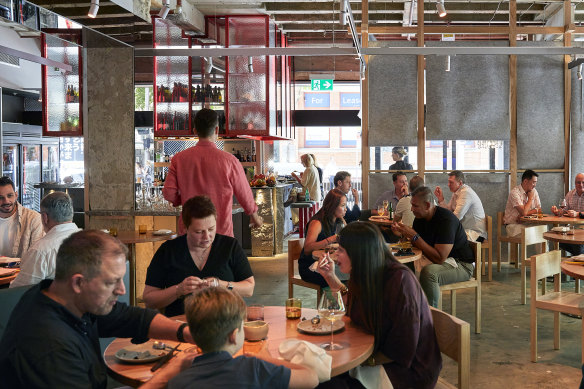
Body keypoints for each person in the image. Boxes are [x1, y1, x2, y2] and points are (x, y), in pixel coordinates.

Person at [0, 230, 195, 389]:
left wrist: (186, 333)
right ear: (78, 282)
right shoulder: (50, 347)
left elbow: (131, 317)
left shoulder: (63, 296)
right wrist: (169, 373)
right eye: (112, 282)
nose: (122, 290)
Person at [317, 222, 442, 388]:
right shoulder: (366, 272)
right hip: (375, 357)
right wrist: (330, 277)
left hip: (406, 372)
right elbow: (353, 305)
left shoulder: (400, 281)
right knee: (315, 375)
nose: (335, 255)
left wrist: (359, 361)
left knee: (324, 383)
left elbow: (403, 349)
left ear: (358, 253)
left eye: (340, 250)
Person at [168, 287, 319, 389]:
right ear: (234, 336)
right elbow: (312, 378)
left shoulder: (177, 382)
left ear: (193, 336)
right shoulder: (253, 367)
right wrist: (265, 358)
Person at [143, 195, 254, 317]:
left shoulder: (230, 246)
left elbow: (249, 289)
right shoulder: (168, 251)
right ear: (185, 228)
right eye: (199, 232)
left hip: (225, 321)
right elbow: (149, 300)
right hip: (180, 325)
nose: (207, 237)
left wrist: (221, 285)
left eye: (211, 229)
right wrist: (178, 290)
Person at [162, 108, 263, 237]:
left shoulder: (179, 159)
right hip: (220, 234)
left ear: (195, 131)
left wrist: (183, 199)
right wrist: (254, 215)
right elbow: (244, 194)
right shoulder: (230, 161)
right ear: (216, 130)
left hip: (190, 233)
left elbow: (169, 194)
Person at [391, 187, 475, 308]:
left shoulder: (446, 220)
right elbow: (416, 245)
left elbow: (440, 258)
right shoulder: (420, 219)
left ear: (427, 205)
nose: (411, 209)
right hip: (439, 259)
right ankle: (407, 310)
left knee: (429, 273)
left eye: (415, 206)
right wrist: (402, 233)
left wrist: (414, 237)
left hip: (460, 265)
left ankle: (430, 318)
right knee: (400, 266)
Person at [10, 192, 81, 288]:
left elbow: (19, 291)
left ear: (44, 217)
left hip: (51, 302)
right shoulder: (90, 241)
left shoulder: (40, 250)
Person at [298, 189, 346, 287]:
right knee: (345, 276)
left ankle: (342, 300)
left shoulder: (337, 220)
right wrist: (330, 240)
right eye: (343, 205)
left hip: (326, 262)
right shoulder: (317, 223)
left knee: (350, 271)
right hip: (310, 266)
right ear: (332, 206)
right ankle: (334, 300)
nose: (346, 209)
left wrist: (343, 221)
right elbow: (307, 249)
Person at [434, 170, 487, 242]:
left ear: (460, 183)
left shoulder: (466, 193)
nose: (448, 184)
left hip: (475, 234)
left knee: (443, 235)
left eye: (451, 182)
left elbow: (456, 217)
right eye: (448, 182)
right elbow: (449, 211)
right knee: (439, 233)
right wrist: (441, 199)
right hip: (465, 230)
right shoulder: (457, 192)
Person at [0, 176, 43, 258]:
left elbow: (38, 256)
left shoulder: (33, 219)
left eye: (10, 196)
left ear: (16, 195)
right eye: (0, 198)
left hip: (22, 270)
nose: (6, 201)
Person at [551, 173, 584, 255]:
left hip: (582, 229)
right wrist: (557, 211)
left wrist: (577, 214)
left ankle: (579, 256)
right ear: (575, 183)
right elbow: (563, 210)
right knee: (555, 237)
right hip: (571, 228)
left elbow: (577, 214)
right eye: (578, 182)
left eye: (583, 182)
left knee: (577, 245)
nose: (581, 185)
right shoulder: (570, 194)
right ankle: (579, 255)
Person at [503, 169, 541, 237]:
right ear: (525, 181)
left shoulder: (534, 191)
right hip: (513, 225)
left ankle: (544, 248)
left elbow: (539, 210)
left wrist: (524, 215)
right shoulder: (514, 193)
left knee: (542, 230)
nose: (535, 185)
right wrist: (530, 199)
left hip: (527, 223)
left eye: (536, 182)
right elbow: (524, 212)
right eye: (533, 182)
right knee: (535, 233)